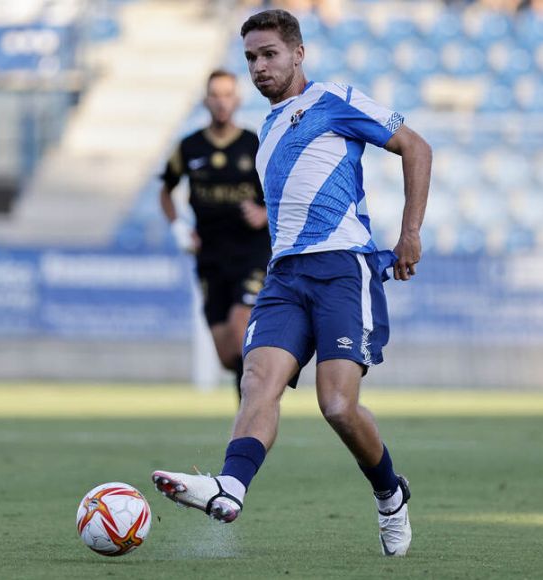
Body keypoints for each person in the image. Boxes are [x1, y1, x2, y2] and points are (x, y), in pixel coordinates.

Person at [152, 9, 432, 558]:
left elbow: (416, 148)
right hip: (284, 275)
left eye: (269, 55)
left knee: (337, 407)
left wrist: (410, 233)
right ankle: (229, 488)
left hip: (340, 272)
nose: (259, 67)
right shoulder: (269, 131)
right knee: (257, 380)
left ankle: (389, 494)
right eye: (251, 58)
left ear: (298, 54)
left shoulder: (333, 99)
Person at [160, 69, 273, 399]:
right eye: (215, 95)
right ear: (206, 100)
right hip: (210, 256)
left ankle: (251, 421)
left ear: (237, 100)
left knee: (241, 323)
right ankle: (255, 386)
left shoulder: (254, 144)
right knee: (227, 356)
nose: (222, 102)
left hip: (251, 252)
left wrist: (265, 213)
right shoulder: (189, 147)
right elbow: (165, 190)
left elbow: (284, 189)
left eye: (227, 95)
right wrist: (179, 227)